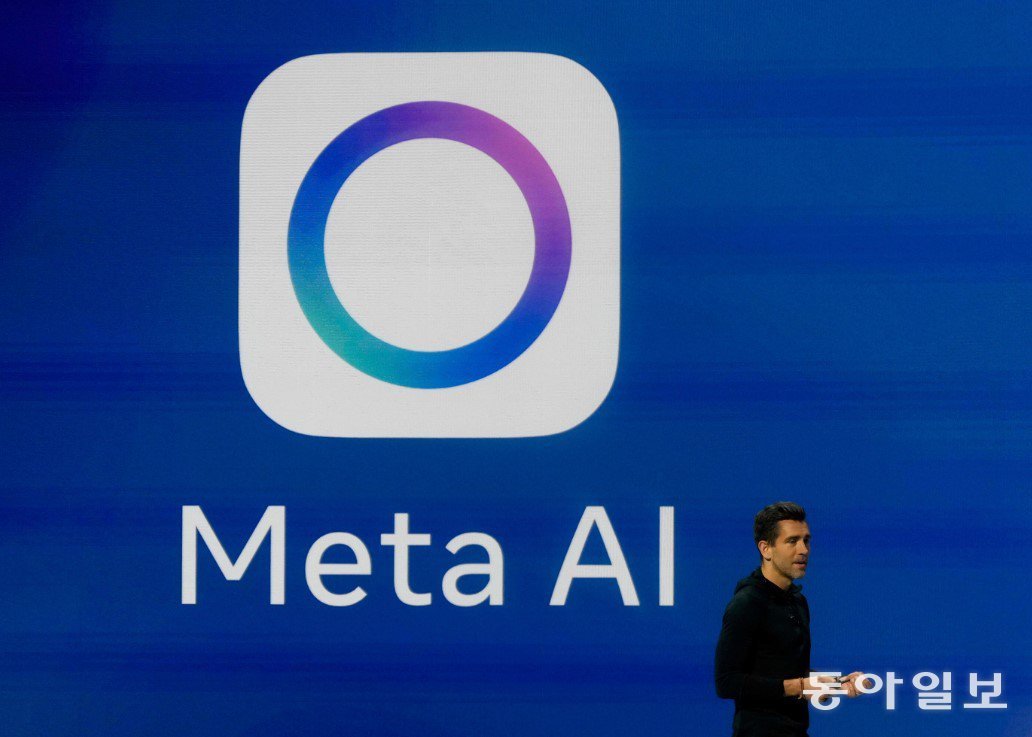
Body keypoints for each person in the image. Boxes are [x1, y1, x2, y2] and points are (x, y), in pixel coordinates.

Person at [714, 502, 862, 736]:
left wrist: (837, 683)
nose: (803, 549)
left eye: (806, 540)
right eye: (792, 541)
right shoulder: (746, 604)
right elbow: (727, 682)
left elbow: (785, 670)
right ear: (766, 549)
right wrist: (799, 686)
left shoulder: (798, 601)